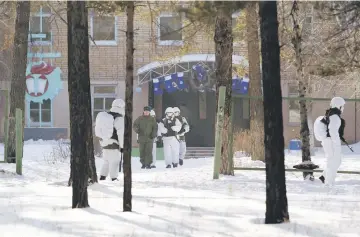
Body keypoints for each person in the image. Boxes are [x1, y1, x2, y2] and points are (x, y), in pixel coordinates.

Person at [314, 96, 346, 186]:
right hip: (331, 141)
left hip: (328, 140)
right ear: (338, 105)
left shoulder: (331, 114)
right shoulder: (335, 116)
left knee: (334, 161)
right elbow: (332, 130)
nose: (343, 108)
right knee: (333, 161)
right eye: (342, 106)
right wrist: (336, 143)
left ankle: (324, 178)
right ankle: (328, 183)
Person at [94, 98, 125, 181]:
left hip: (104, 142)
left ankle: (102, 176)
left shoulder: (108, 115)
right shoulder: (119, 118)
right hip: (114, 143)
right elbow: (120, 134)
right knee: (114, 161)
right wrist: (122, 146)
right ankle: (114, 178)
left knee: (106, 161)